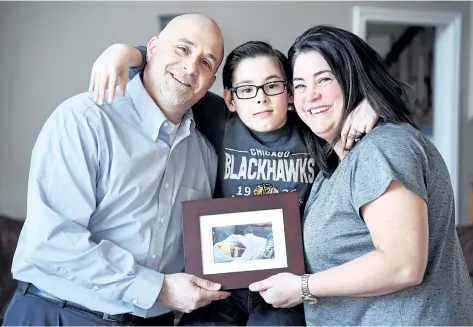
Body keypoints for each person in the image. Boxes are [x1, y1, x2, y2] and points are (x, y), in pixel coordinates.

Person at [89, 38, 381, 326]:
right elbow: (173, 77)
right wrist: (128, 53)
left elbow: (401, 93)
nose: (260, 98)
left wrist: (372, 104)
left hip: (285, 287)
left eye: (272, 86)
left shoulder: (314, 129)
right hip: (220, 287)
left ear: (289, 92)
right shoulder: (219, 120)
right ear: (230, 98)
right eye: (246, 89)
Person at [3, 14, 231, 327]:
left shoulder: (206, 154)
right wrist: (159, 289)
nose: (191, 67)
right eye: (182, 49)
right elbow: (52, 241)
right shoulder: (84, 119)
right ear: (151, 50)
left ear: (211, 83)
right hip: (58, 313)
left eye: (206, 62)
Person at [248, 25, 473, 326]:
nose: (310, 96)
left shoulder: (383, 147)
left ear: (354, 77)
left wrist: (302, 287)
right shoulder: (336, 164)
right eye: (299, 85)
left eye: (324, 79)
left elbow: (401, 264)